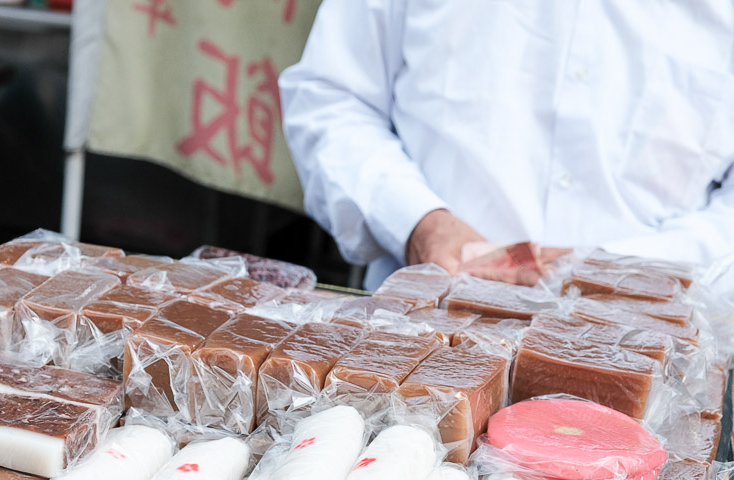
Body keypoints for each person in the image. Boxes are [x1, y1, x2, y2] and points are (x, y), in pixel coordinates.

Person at [279, 1, 734, 290]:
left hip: (657, 362)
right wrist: (420, 224)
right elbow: (332, 98)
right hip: (424, 336)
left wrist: (632, 272)